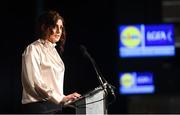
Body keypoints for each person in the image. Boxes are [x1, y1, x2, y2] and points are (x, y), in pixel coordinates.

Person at [21, 10, 81, 114]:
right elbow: (35, 83)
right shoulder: (33, 49)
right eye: (55, 26)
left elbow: (54, 86)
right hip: (39, 108)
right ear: (44, 27)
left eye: (61, 27)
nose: (59, 31)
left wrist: (64, 98)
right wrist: (59, 98)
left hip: (55, 107)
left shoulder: (54, 51)